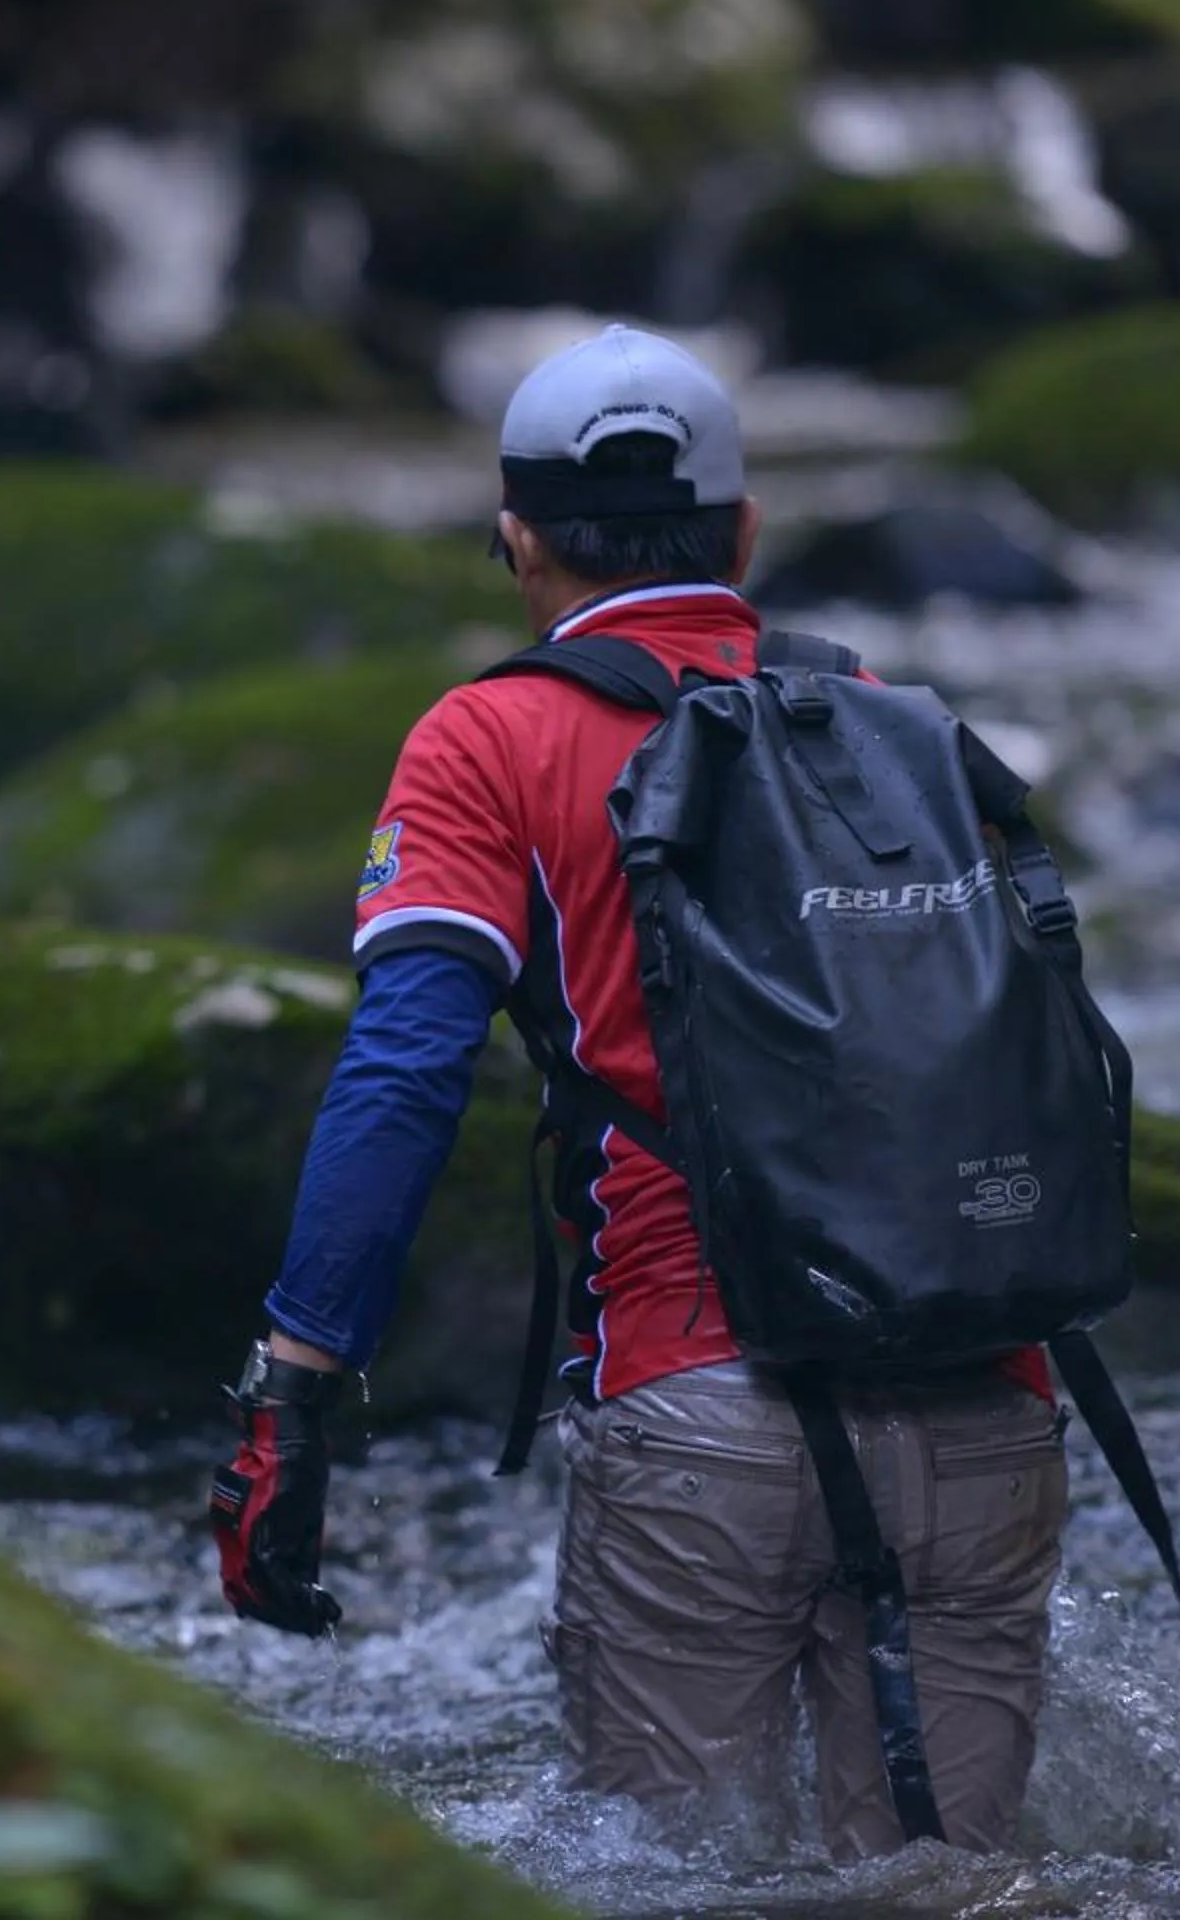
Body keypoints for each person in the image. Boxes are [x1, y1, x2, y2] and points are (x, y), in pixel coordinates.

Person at [207, 326, 1069, 1858]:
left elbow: (404, 1073)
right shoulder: (882, 712)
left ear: (516, 538)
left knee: (668, 1886)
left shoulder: (489, 738)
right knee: (959, 1888)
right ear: (742, 533)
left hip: (698, 1411)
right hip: (986, 1400)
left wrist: (294, 1391)